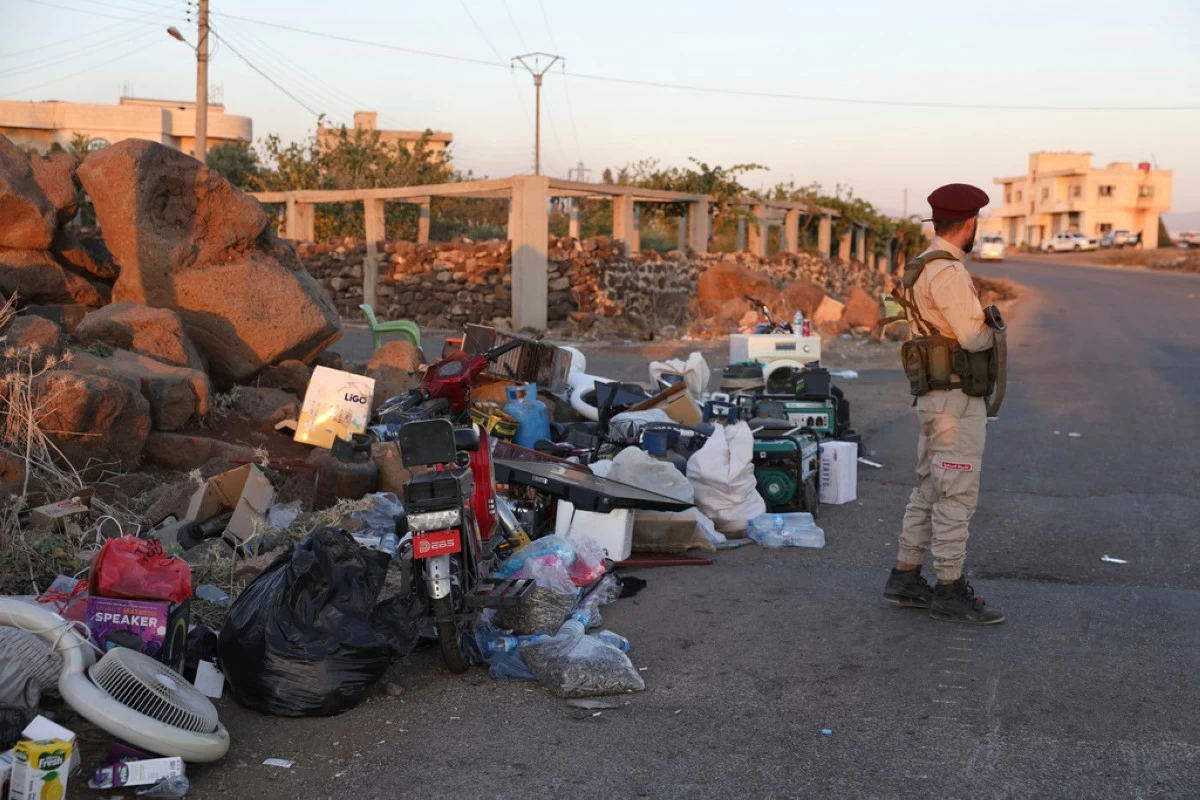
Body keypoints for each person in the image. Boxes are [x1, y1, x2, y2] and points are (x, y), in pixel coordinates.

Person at [883, 183, 1006, 625]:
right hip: (954, 400)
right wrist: (993, 327)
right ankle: (949, 589)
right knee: (956, 495)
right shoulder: (949, 271)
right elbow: (972, 337)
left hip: (935, 396)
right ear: (969, 224)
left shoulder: (920, 265)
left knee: (931, 490)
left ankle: (905, 575)